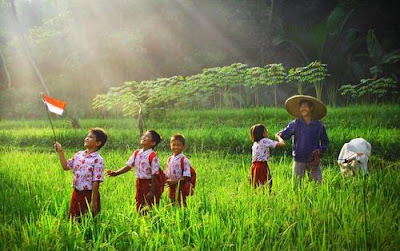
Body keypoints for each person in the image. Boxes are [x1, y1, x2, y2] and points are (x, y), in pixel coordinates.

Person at [54, 128, 108, 219]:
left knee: (86, 220)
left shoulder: (98, 159)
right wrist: (60, 152)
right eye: (87, 136)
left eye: (91, 137)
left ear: (98, 143)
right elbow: (66, 166)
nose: (87, 138)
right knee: (73, 219)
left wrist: (93, 201)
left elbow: (96, 181)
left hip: (88, 194)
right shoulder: (79, 154)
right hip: (76, 192)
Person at [107, 130, 162, 213]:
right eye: (144, 135)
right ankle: (140, 220)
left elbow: (155, 174)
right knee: (139, 202)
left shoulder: (152, 155)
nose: (143, 137)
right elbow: (128, 166)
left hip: (149, 183)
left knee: (148, 204)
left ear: (153, 143)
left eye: (147, 137)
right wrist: (116, 173)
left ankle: (149, 222)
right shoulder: (137, 153)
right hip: (139, 183)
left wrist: (151, 191)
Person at [278, 95, 329, 184]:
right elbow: (284, 134)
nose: (303, 109)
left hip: (313, 160)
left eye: (305, 106)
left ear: (311, 108)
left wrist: (320, 150)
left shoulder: (319, 126)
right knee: (297, 186)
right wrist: (279, 136)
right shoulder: (295, 123)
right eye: (301, 107)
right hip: (299, 160)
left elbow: (325, 142)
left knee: (318, 185)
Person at [250, 124, 285, 191]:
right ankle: (266, 197)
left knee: (256, 186)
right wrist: (278, 137)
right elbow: (282, 144)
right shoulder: (265, 141)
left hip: (254, 166)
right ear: (263, 134)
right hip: (262, 166)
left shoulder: (255, 143)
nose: (267, 131)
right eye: (266, 130)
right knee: (267, 184)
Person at [165, 134, 192, 206]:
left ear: (183, 147)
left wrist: (175, 181)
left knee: (181, 203)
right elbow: (167, 173)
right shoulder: (169, 159)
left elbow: (186, 176)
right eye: (174, 145)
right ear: (170, 145)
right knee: (171, 202)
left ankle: (183, 216)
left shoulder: (184, 160)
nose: (176, 147)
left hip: (181, 186)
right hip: (171, 186)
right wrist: (165, 180)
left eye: (178, 145)